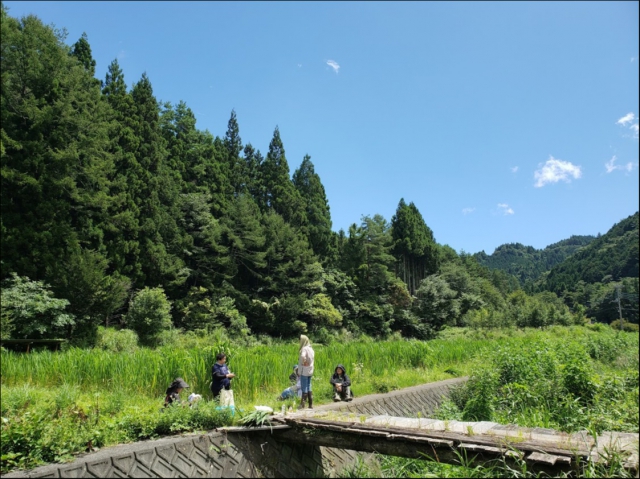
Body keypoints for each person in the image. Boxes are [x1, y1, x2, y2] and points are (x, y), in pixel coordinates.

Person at [298, 335, 315, 409]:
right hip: (310, 370)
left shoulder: (304, 348)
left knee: (304, 387)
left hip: (304, 370)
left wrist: (304, 362)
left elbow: (302, 356)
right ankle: (310, 404)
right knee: (309, 386)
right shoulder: (311, 348)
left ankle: (302, 404)